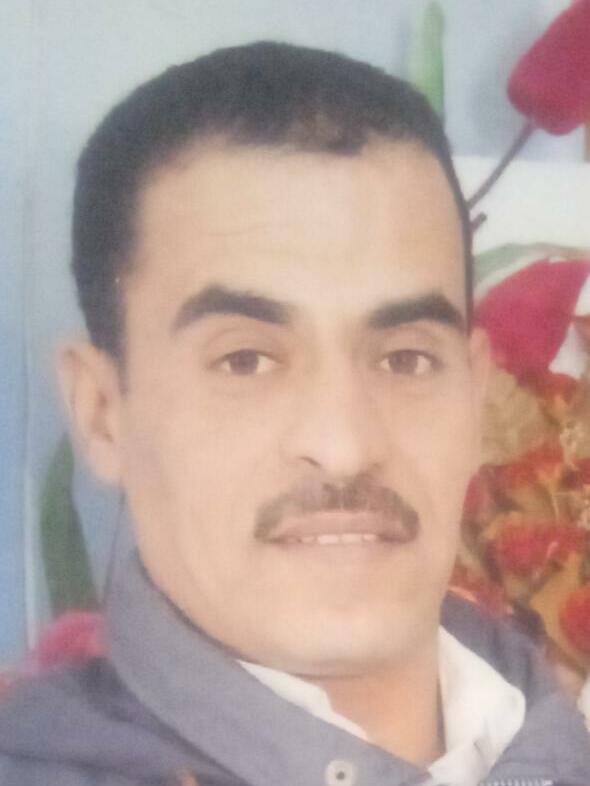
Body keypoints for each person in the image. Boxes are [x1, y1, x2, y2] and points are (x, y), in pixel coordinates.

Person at [1, 41, 589, 786]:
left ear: (476, 397)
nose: (344, 445)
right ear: (102, 414)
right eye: (245, 360)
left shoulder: (551, 729)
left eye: (405, 358)